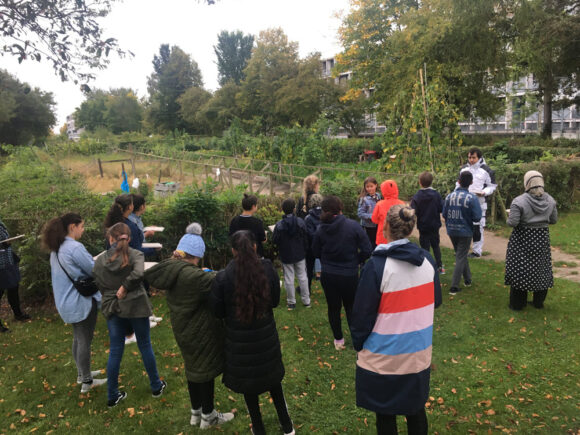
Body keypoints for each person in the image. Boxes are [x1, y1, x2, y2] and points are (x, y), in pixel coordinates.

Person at [351, 205, 442, 435]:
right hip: (417, 352)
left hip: (384, 357)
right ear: (411, 229)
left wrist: (359, 344)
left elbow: (362, 316)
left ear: (386, 226)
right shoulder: (428, 261)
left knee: (385, 412)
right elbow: (436, 300)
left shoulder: (377, 266)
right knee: (415, 409)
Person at [145, 223, 234, 428]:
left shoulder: (172, 269)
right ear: (196, 255)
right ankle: (208, 416)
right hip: (199, 330)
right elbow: (221, 280)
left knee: (193, 369)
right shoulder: (194, 276)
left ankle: (196, 412)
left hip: (182, 328)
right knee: (205, 371)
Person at [210, 230, 295, 435]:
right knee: (273, 380)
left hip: (240, 343)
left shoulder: (223, 278)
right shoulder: (266, 269)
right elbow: (274, 301)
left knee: (250, 386)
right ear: (255, 247)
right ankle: (287, 425)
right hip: (265, 339)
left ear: (232, 251)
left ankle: (259, 427)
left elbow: (217, 311)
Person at [93, 222, 166, 407]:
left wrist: (119, 289)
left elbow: (99, 283)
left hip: (113, 306)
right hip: (136, 305)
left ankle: (112, 395)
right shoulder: (136, 255)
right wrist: (126, 287)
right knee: (145, 344)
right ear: (130, 238)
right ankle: (156, 386)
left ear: (110, 238)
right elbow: (139, 273)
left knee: (115, 350)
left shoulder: (101, 260)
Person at [41, 213, 106, 393]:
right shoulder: (74, 248)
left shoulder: (57, 247)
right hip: (80, 302)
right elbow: (94, 270)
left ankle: (82, 373)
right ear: (72, 227)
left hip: (66, 301)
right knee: (84, 340)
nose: (83, 230)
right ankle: (87, 381)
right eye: (82, 226)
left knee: (78, 338)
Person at [312, 196, 372, 350]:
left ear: (325, 211)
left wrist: (327, 260)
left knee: (333, 308)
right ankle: (356, 339)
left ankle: (338, 340)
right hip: (349, 275)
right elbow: (367, 249)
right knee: (351, 307)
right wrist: (356, 260)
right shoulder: (353, 226)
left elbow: (315, 251)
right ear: (340, 208)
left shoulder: (320, 229)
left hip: (329, 275)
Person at [505, 171, 558, 310]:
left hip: (522, 239)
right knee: (541, 269)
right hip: (541, 240)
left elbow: (513, 223)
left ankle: (517, 304)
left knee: (520, 270)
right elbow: (553, 220)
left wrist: (509, 215)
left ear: (527, 183)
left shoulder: (519, 201)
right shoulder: (550, 200)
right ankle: (538, 303)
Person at [443, 172, 482, 295]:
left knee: (461, 254)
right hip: (465, 231)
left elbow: (444, 214)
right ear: (471, 183)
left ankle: (468, 279)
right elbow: (477, 217)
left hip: (452, 230)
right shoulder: (472, 198)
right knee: (460, 256)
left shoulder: (449, 196)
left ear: (458, 181)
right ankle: (454, 287)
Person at [272, 198, 311, 310]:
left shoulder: (279, 225)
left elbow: (275, 240)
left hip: (286, 254)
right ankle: (306, 301)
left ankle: (291, 302)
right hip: (299, 253)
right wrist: (305, 249)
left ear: (282, 210)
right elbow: (305, 237)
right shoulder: (300, 222)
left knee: (289, 278)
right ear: (294, 209)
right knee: (302, 277)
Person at [459, 147, 496, 258]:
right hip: (465, 202)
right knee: (464, 227)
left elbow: (492, 186)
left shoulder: (486, 170)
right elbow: (458, 184)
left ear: (479, 157)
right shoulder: (464, 169)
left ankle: (477, 251)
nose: (471, 160)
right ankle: (462, 250)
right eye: (469, 157)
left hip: (479, 203)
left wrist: (484, 192)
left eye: (473, 157)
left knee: (477, 228)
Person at [410, 171, 445, 273]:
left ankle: (427, 268)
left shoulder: (417, 196)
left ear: (420, 182)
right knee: (436, 246)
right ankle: (439, 266)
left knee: (425, 247)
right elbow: (441, 208)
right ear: (431, 182)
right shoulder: (436, 195)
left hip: (423, 225)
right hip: (434, 225)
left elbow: (413, 210)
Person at [0, 217, 30, 332]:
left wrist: (7, 243)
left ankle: (18, 314)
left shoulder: (1, 224)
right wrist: (4, 245)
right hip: (1, 265)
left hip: (8, 261)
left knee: (13, 287)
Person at [371, 180, 405, 246]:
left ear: (383, 190)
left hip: (383, 235)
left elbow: (374, 220)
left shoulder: (379, 204)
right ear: (396, 189)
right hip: (398, 235)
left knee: (383, 255)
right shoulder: (402, 204)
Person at [304, 193, 323, 291]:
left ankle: (308, 289)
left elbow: (308, 233)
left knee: (309, 268)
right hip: (324, 246)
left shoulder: (308, 218)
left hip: (311, 247)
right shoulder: (325, 215)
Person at [358, 176, 382, 249]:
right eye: (367, 187)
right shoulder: (364, 199)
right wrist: (372, 216)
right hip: (368, 225)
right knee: (370, 242)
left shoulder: (378, 196)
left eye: (371, 186)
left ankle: (375, 253)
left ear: (376, 185)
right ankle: (369, 254)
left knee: (376, 240)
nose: (369, 188)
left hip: (377, 224)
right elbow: (360, 214)